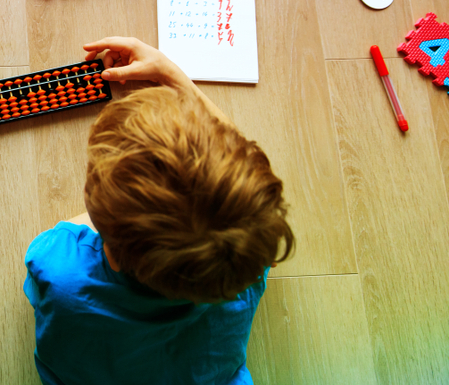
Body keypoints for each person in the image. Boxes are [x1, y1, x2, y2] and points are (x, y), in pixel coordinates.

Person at [24, 36, 295, 385]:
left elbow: (56, 248)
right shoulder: (245, 264)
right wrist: (174, 77)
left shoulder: (60, 267)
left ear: (113, 254)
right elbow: (245, 195)